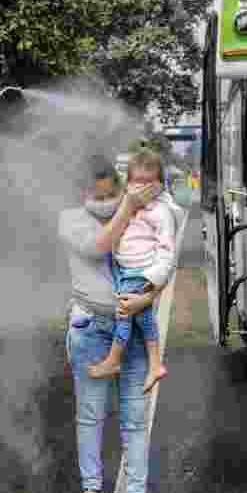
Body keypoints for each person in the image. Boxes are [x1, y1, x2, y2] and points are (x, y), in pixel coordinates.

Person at [58, 155, 169, 493]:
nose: (103, 197)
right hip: (90, 327)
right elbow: (99, 247)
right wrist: (128, 207)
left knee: (135, 418)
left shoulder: (143, 212)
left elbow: (159, 259)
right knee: (91, 414)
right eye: (96, 190)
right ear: (82, 190)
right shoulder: (70, 218)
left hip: (134, 327)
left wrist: (148, 297)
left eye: (112, 189)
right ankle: (91, 489)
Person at [87, 150, 177, 395]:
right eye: (137, 182)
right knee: (144, 318)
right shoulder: (129, 205)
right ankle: (156, 364)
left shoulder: (161, 212)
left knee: (124, 315)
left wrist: (151, 283)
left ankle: (114, 359)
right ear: (128, 184)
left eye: (149, 183)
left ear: (160, 185)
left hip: (142, 272)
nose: (142, 189)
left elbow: (167, 252)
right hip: (126, 270)